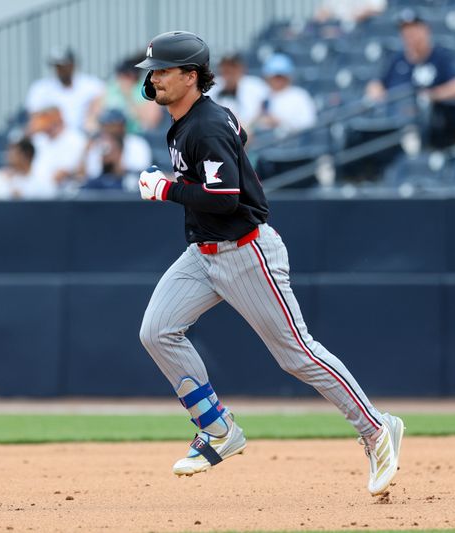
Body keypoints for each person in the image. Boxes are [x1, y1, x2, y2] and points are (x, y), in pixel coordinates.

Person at [134, 30, 404, 496]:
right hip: (203, 253)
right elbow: (240, 134)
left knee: (296, 354)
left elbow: (223, 197)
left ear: (191, 76)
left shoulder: (204, 124)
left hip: (245, 252)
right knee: (156, 330)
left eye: (161, 70)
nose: (153, 78)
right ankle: (218, 428)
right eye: (151, 71)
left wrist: (167, 189)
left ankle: (377, 429)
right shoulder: (192, 119)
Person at [365, 9, 455, 103]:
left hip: (428, 118)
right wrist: (377, 93)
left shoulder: (440, 56)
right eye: (405, 30)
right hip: (396, 115)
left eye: (414, 29)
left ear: (425, 30)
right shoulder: (397, 59)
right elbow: (376, 84)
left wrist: (431, 95)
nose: (410, 35)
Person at [25, 47, 104, 134]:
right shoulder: (41, 88)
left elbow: (102, 103)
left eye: (64, 66)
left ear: (73, 65)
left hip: (84, 136)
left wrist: (91, 117)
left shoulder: (91, 85)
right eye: (58, 67)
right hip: (52, 136)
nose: (61, 70)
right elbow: (34, 115)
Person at [26, 101, 87, 197]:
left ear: (57, 119)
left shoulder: (75, 140)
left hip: (62, 196)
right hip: (34, 192)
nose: (41, 122)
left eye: (46, 118)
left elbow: (62, 174)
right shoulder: (39, 140)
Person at [254, 53, 317, 134]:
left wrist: (280, 122)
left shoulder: (299, 95)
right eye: (275, 77)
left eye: (280, 77)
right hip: (266, 141)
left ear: (288, 77)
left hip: (294, 142)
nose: (277, 80)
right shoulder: (263, 95)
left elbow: (309, 122)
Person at [82, 108, 152, 180]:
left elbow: (140, 175)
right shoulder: (96, 144)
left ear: (122, 126)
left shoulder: (137, 144)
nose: (108, 129)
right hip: (99, 187)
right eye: (105, 125)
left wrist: (116, 161)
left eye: (112, 125)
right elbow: (89, 176)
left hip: (127, 188)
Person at [207, 52, 269, 132]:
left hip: (251, 131)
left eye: (233, 66)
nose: (229, 70)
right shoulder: (212, 86)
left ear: (242, 68)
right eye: (225, 66)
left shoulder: (256, 85)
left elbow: (266, 112)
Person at [102, 56, 164, 133]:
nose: (123, 79)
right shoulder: (110, 88)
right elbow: (92, 119)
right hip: (109, 134)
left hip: (136, 135)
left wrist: (128, 97)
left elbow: (151, 123)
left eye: (126, 75)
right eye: (121, 75)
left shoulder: (148, 90)